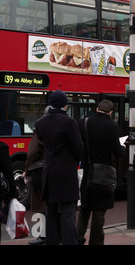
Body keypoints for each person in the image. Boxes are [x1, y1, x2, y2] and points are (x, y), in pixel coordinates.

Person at [35, 90, 84, 245]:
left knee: (50, 211)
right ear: (65, 104)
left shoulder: (40, 123)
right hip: (66, 172)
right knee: (68, 213)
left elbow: (42, 142)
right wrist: (74, 161)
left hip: (49, 171)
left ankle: (52, 242)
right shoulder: (69, 122)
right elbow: (78, 148)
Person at [76, 99, 125, 245]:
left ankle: (78, 238)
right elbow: (117, 151)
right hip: (103, 173)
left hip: (87, 171)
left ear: (97, 109)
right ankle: (96, 241)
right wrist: (122, 147)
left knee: (85, 208)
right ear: (110, 112)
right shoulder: (112, 126)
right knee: (99, 210)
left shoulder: (83, 123)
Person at [24, 106, 51, 245]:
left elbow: (33, 152)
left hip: (41, 171)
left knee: (40, 204)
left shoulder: (40, 128)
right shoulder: (66, 126)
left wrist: (27, 170)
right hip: (59, 172)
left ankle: (42, 236)